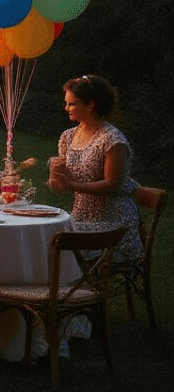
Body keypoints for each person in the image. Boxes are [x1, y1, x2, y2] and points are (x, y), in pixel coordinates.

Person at [48, 74, 142, 262]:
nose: (66, 108)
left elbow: (112, 185)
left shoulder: (112, 140)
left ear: (90, 105)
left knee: (51, 241)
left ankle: (67, 289)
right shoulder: (68, 137)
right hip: (80, 219)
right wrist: (55, 179)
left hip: (113, 228)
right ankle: (62, 289)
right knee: (44, 234)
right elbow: (58, 186)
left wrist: (71, 185)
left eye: (71, 103)